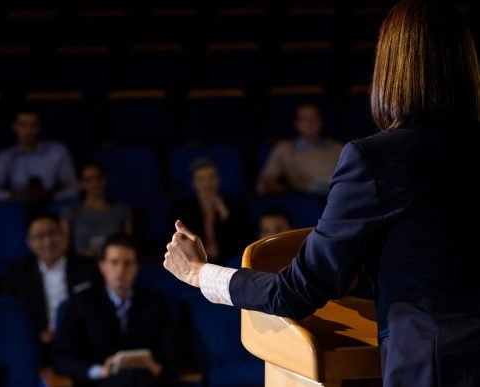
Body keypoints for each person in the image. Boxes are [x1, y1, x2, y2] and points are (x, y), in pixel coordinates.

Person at [163, 1, 480, 386]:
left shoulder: (378, 159)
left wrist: (198, 273)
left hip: (435, 369)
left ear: (392, 69)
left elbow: (296, 292)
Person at [53, 235, 176, 387]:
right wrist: (99, 371)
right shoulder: (80, 303)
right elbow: (61, 359)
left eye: (128, 263)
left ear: (137, 268)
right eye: (114, 262)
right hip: (101, 382)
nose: (121, 270)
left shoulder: (156, 303)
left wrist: (156, 367)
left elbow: (173, 353)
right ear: (102, 266)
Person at [4, 214, 100, 365]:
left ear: (63, 236)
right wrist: (37, 334)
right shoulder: (17, 273)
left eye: (52, 233)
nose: (48, 241)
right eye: (40, 236)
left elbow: (97, 306)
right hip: (38, 342)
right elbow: (11, 312)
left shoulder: (87, 267)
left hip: (81, 340)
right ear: (29, 242)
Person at [0, 109, 79, 204]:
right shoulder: (4, 157)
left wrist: (52, 195)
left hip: (50, 206)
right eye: (23, 125)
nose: (29, 130)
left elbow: (74, 188)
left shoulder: (58, 151)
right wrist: (14, 195)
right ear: (14, 127)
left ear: (40, 127)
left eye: (33, 125)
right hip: (15, 207)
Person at [172, 158, 248, 264]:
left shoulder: (235, 207)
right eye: (201, 179)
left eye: (211, 177)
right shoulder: (183, 211)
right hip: (195, 264)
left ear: (218, 179)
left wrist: (225, 216)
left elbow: (241, 243)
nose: (207, 184)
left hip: (228, 263)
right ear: (193, 183)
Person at [256, 103, 342, 196]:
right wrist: (287, 186)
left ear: (321, 122)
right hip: (300, 201)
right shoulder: (283, 149)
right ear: (296, 124)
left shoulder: (338, 149)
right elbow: (264, 183)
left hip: (335, 200)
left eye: (314, 118)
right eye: (304, 119)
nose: (309, 123)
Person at [60, 162, 133, 259]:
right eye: (88, 180)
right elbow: (63, 248)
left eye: (98, 178)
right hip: (81, 264)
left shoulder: (122, 210)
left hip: (114, 265)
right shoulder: (70, 211)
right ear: (81, 184)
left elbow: (129, 245)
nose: (95, 183)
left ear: (105, 179)